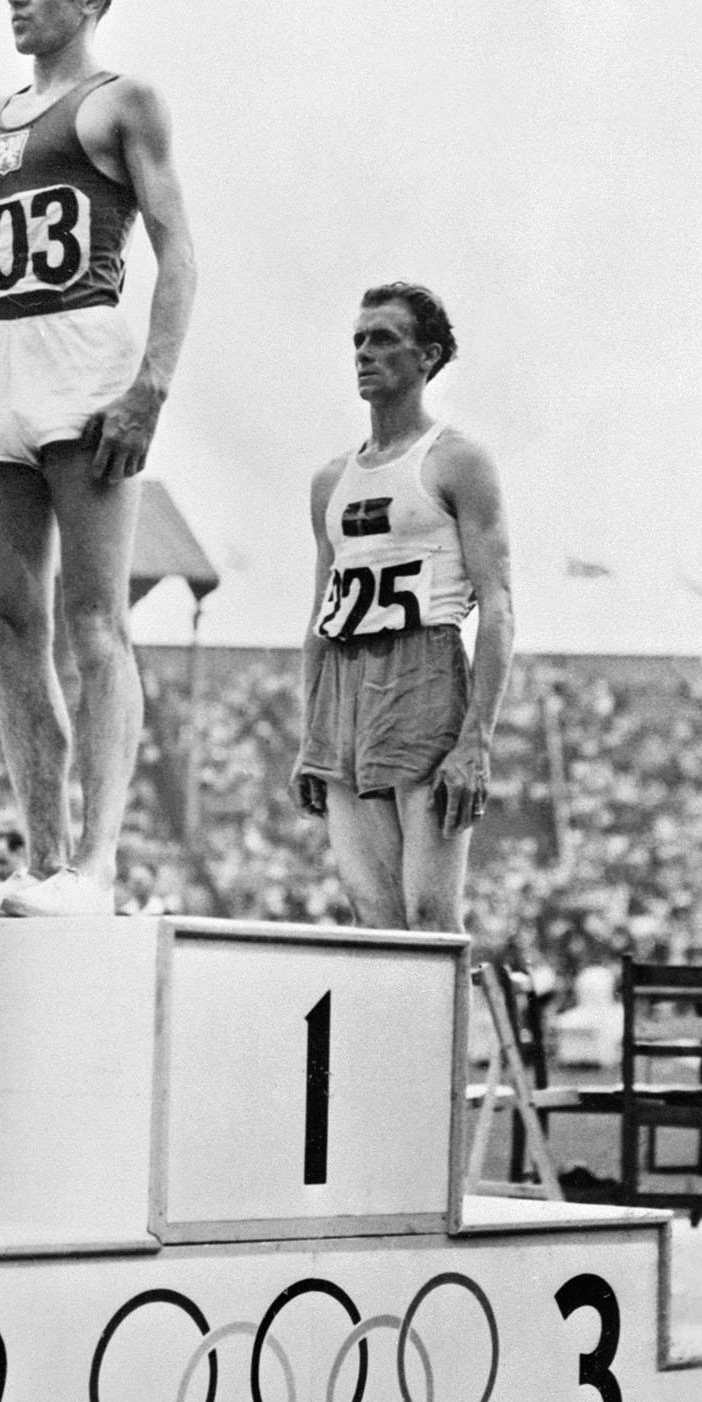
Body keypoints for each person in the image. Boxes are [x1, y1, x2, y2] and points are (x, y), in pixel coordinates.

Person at [0, 0, 196, 919]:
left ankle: (95, 865)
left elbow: (178, 248)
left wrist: (151, 384)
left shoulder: (121, 101)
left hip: (83, 356)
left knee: (94, 616)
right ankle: (43, 856)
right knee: (8, 621)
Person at [292, 283, 514, 931]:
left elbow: (498, 607)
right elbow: (317, 620)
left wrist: (477, 739)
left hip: (424, 670)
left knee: (429, 914)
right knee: (374, 917)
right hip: (344, 687)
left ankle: (447, 1037)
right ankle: (385, 1039)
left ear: (428, 356)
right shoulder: (330, 480)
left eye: (384, 338)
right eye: (358, 339)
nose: (364, 352)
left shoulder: (458, 460)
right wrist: (311, 734)